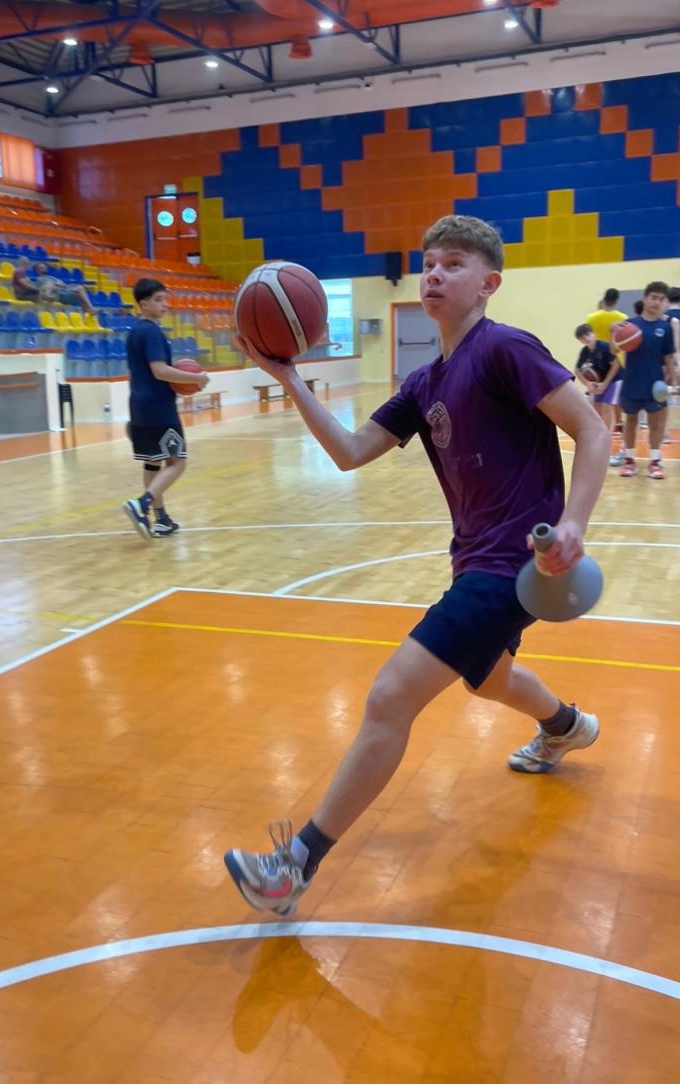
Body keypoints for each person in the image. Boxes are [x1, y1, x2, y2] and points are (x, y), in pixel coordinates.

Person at [224, 214, 611, 918]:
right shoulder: (425, 380)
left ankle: (293, 867)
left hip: (511, 564)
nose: (435, 273)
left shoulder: (506, 349)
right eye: (430, 262)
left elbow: (591, 428)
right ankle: (565, 726)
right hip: (475, 562)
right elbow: (349, 452)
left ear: (489, 283)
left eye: (454, 264)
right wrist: (287, 377)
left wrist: (575, 522)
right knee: (489, 680)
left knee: (390, 697)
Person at [123, 277, 208, 539]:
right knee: (178, 462)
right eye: (159, 300)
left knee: (152, 463)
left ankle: (161, 520)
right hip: (159, 408)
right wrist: (196, 378)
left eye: (165, 299)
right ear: (143, 303)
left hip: (139, 406)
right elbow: (160, 371)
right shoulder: (152, 332)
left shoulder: (134, 332)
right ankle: (142, 504)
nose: (165, 305)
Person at [617, 281, 677, 480]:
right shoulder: (629, 325)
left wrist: (673, 380)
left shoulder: (665, 327)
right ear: (645, 299)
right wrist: (612, 332)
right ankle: (629, 460)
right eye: (653, 297)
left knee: (656, 424)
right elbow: (614, 349)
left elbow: (669, 357)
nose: (657, 302)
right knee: (630, 422)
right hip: (631, 383)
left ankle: (655, 461)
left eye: (661, 299)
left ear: (665, 302)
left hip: (655, 385)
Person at [585, 288, 628, 465]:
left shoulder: (591, 318)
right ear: (617, 300)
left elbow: (589, 340)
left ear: (604, 299)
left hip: (597, 365)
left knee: (600, 403)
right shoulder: (623, 318)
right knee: (614, 401)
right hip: (616, 361)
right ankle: (617, 425)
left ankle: (599, 431)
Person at [573, 323, 621, 444]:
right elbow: (577, 370)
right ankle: (600, 432)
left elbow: (616, 365)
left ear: (593, 333)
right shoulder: (585, 352)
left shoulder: (604, 347)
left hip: (614, 379)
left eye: (588, 335)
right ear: (580, 341)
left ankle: (607, 436)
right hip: (598, 381)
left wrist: (605, 384)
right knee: (597, 406)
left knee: (606, 406)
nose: (586, 338)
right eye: (582, 338)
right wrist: (587, 383)